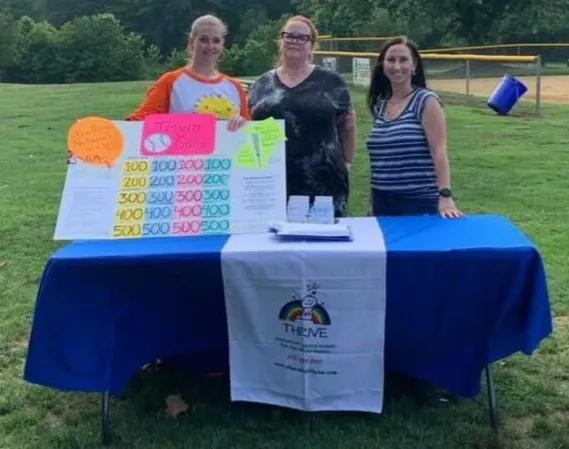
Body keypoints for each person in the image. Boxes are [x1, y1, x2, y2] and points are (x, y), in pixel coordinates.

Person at [247, 15, 357, 218]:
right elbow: (250, 131)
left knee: (323, 237)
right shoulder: (261, 84)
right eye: (289, 36)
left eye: (302, 37)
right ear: (281, 41)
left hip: (324, 184)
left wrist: (347, 162)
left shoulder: (332, 82)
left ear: (311, 45)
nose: (294, 41)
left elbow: (348, 124)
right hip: (272, 184)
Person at [365, 36, 462, 218]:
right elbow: (380, 162)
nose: (396, 66)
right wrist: (372, 203)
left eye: (403, 60)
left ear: (414, 65)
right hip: (382, 200)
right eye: (391, 60)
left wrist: (445, 196)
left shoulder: (426, 101)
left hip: (418, 200)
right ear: (383, 65)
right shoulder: (381, 105)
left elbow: (439, 150)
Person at [127, 14, 249, 131]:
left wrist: (243, 124)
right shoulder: (170, 82)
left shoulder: (235, 87)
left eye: (216, 41)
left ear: (222, 45)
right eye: (203, 40)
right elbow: (138, 121)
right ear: (191, 42)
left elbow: (249, 131)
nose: (210, 46)